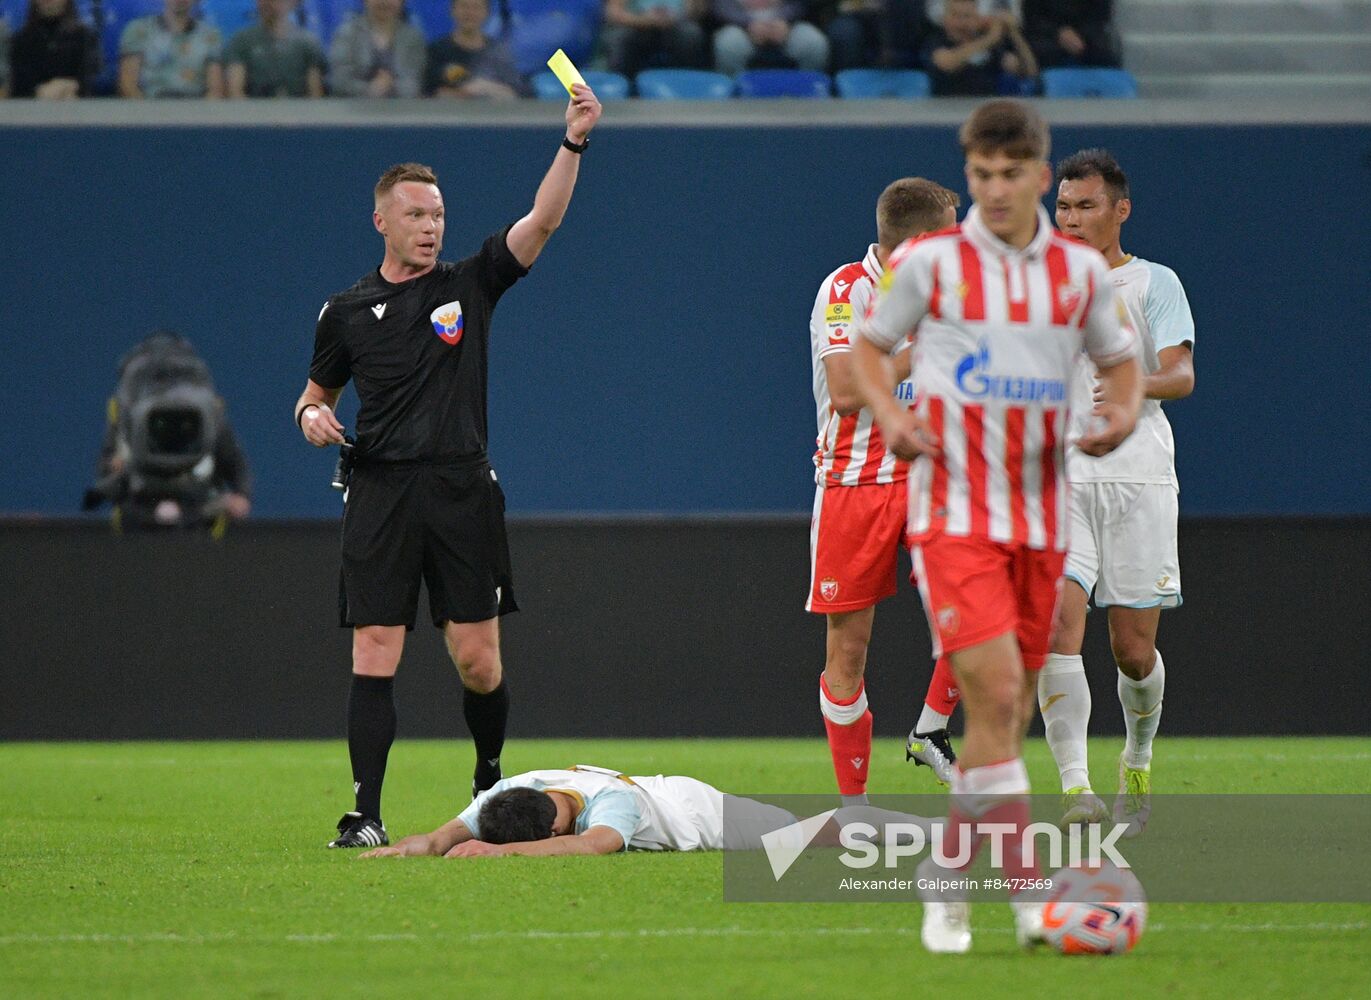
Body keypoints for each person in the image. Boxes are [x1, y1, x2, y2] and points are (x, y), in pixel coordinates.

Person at [852, 99, 1142, 953]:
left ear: (1038, 176)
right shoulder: (932, 264)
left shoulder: (1078, 276)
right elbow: (867, 352)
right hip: (951, 515)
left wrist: (1119, 417)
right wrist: (890, 416)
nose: (996, 189)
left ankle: (946, 867)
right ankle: (1026, 899)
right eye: (981, 175)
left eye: (1011, 174)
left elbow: (1122, 368)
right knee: (999, 694)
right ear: (970, 174)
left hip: (1042, 518)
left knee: (999, 720)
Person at [294, 84, 603, 850]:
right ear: (382, 221)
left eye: (436, 215)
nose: (431, 227)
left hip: (461, 488)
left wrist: (572, 143)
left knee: (476, 659)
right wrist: (309, 418)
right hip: (379, 490)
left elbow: (544, 222)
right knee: (375, 647)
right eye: (416, 215)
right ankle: (365, 812)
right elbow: (313, 395)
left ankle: (488, 777)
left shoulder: (468, 284)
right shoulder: (343, 311)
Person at [1043, 148, 1194, 833]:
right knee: (1056, 626)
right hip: (1062, 476)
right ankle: (1075, 790)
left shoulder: (1154, 282)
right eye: (1063, 206)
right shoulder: (1037, 286)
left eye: (1085, 206)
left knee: (1132, 651)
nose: (1070, 219)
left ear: (1118, 210)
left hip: (1137, 476)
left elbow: (1179, 375)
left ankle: (1136, 758)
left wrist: (1129, 386)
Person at [808, 177, 963, 796]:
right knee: (849, 651)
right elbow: (847, 392)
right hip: (856, 481)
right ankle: (854, 808)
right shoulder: (846, 290)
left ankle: (931, 728)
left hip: (934, 475)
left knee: (982, 607)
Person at [355, 763, 937, 858]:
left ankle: (938, 831)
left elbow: (594, 845)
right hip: (665, 793)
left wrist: (500, 855)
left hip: (697, 811)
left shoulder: (613, 805)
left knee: (819, 835)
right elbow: (436, 839)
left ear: (553, 824)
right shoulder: (515, 788)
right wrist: (394, 852)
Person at [84, 331, 252, 533]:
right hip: (138, 516)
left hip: (200, 517)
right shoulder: (125, 414)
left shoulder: (209, 416)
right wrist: (114, 469)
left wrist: (241, 496)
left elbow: (235, 463)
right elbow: (105, 474)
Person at [922, 0, 1036, 97]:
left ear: (977, 19)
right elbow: (947, 63)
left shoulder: (992, 47)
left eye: (967, 16)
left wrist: (1013, 32)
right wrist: (990, 39)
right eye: (955, 16)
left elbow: (1028, 71)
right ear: (945, 19)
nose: (961, 22)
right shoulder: (936, 41)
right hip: (945, 113)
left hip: (986, 110)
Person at [117, 0, 224, 98]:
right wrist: (146, 115)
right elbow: (128, 86)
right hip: (150, 105)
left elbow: (215, 89)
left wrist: (203, 116)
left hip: (195, 107)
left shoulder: (210, 36)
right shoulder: (139, 30)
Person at [425, 0, 527, 100]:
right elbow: (429, 94)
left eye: (476, 7)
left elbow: (514, 94)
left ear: (487, 13)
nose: (469, 13)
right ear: (452, 11)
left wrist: (486, 88)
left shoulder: (498, 53)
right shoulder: (436, 52)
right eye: (464, 6)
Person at [224, 0, 326, 98]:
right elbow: (235, 92)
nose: (265, 3)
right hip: (254, 112)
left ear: (293, 2)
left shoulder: (308, 44)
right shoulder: (242, 41)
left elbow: (315, 95)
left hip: (299, 113)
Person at [329, 0, 426, 98]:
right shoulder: (346, 34)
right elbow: (339, 81)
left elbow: (415, 82)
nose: (384, 2)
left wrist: (390, 86)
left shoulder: (413, 38)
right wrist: (370, 89)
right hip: (353, 107)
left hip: (402, 109)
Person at [7, 0, 101, 99]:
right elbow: (18, 87)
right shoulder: (20, 42)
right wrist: (39, 92)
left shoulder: (84, 38)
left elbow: (89, 81)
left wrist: (67, 87)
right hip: (31, 108)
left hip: (76, 105)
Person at [711, 0, 830, 76]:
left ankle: (808, 93)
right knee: (729, 44)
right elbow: (721, 5)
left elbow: (799, 4)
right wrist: (749, 24)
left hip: (787, 23)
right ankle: (734, 95)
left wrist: (783, 21)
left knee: (813, 42)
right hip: (740, 24)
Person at [601, 0, 708, 81]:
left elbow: (699, 10)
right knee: (619, 38)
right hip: (637, 25)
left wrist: (675, 17)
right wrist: (645, 20)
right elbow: (614, 13)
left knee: (691, 34)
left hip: (676, 24)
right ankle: (624, 88)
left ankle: (687, 86)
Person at [1021, 0, 1122, 70]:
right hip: (1047, 38)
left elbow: (1100, 17)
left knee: (1106, 56)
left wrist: (1081, 36)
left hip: (1086, 39)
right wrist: (1059, 32)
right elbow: (1032, 18)